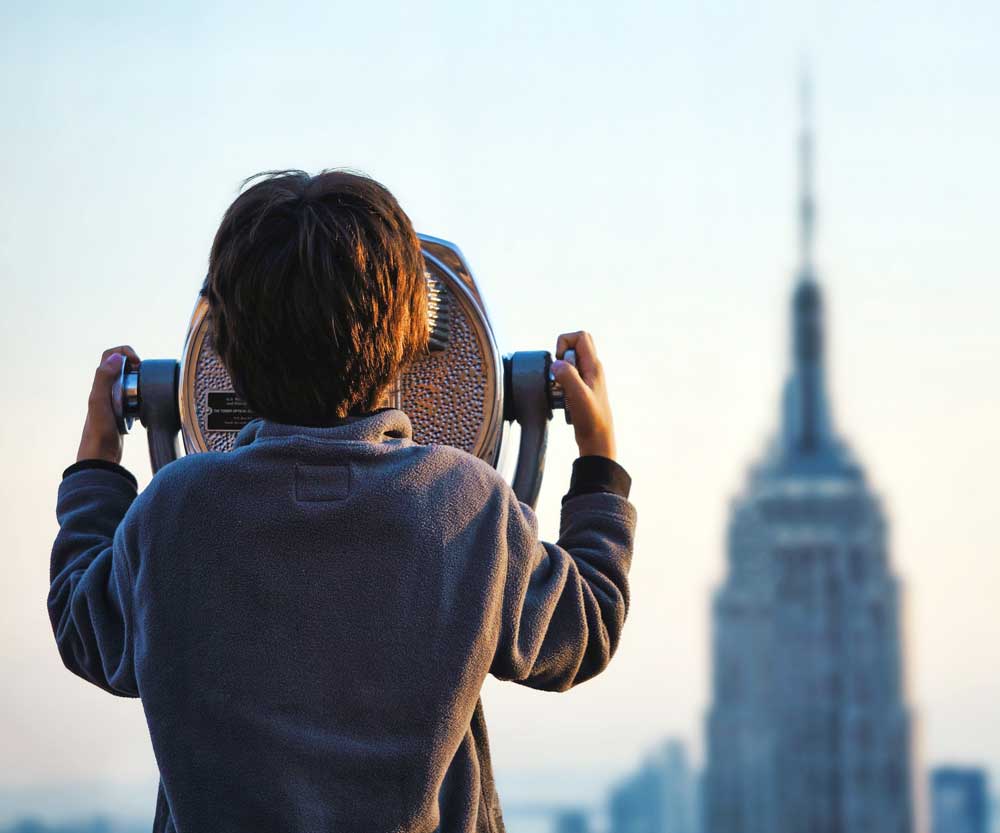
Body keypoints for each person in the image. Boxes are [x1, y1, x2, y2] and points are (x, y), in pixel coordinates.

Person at [49, 170, 638, 833]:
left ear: (221, 347)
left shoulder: (172, 514)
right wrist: (599, 461)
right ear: (414, 336)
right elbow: (588, 625)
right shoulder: (465, 505)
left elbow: (85, 628)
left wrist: (97, 459)